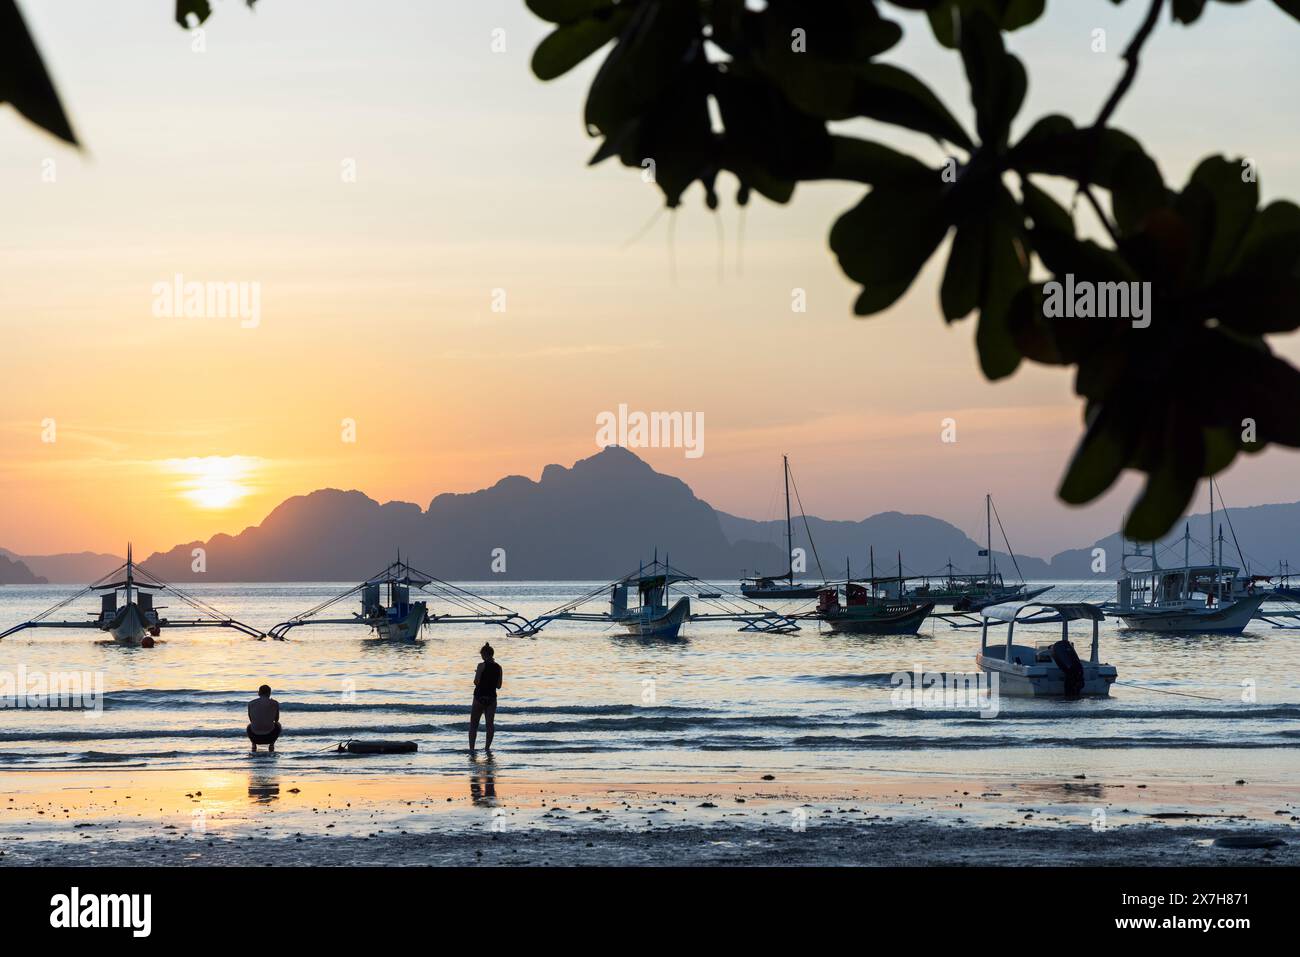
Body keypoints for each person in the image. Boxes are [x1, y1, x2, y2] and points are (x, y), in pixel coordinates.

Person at [469, 643, 503, 751]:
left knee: (474, 725)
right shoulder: (499, 667)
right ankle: (487, 748)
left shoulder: (481, 666)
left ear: (484, 654)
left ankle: (472, 749)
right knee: (490, 725)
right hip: (492, 698)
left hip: (479, 697)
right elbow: (499, 686)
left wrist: (477, 673)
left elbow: (476, 682)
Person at [247, 684, 281, 752]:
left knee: (249, 725)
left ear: (259, 693)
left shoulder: (251, 703)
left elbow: (251, 720)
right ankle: (271, 745)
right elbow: (276, 720)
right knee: (278, 724)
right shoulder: (274, 703)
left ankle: (254, 745)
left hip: (254, 737)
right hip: (270, 736)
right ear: (269, 693)